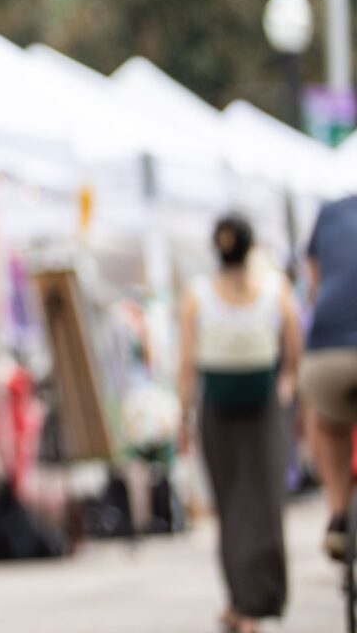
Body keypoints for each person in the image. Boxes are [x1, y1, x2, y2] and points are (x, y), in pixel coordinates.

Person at [175, 215, 299, 633]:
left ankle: (246, 602)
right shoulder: (274, 289)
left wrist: (183, 415)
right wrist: (286, 388)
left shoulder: (199, 295)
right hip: (253, 407)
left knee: (234, 506)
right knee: (257, 504)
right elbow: (293, 349)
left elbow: (187, 366)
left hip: (226, 409)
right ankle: (251, 601)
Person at [301, 192, 357, 560]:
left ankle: (338, 514)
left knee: (325, 423)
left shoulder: (330, 211)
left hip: (327, 353)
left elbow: (314, 287)